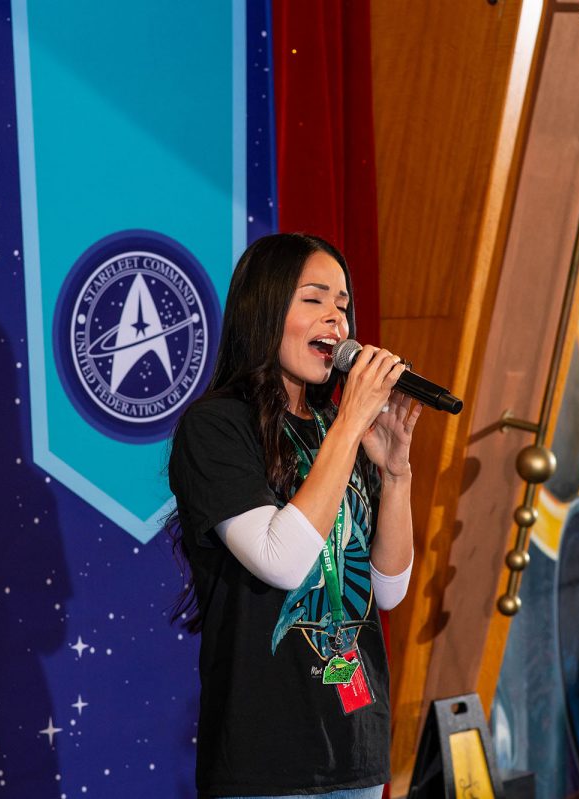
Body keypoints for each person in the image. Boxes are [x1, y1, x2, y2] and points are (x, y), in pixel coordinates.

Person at [167, 233, 420, 799]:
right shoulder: (217, 427)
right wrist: (350, 425)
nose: (336, 318)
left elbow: (387, 590)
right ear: (264, 310)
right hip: (267, 759)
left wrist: (396, 474)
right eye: (314, 299)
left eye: (343, 304)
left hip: (356, 745)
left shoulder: (337, 430)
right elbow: (280, 561)